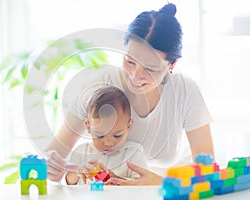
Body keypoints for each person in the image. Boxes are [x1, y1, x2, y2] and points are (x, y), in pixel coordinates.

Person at [46, 3, 215, 185]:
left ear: (172, 64)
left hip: (173, 188)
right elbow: (53, 156)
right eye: (129, 61)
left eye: (150, 69)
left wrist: (158, 181)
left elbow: (208, 173)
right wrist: (57, 167)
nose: (135, 76)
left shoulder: (185, 90)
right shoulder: (100, 83)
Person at [64, 85, 148, 185]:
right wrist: (76, 172)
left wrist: (116, 180)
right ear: (88, 126)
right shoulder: (81, 152)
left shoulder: (133, 154)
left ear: (129, 126)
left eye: (117, 135)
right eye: (100, 136)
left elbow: (143, 185)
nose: (108, 143)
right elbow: (68, 184)